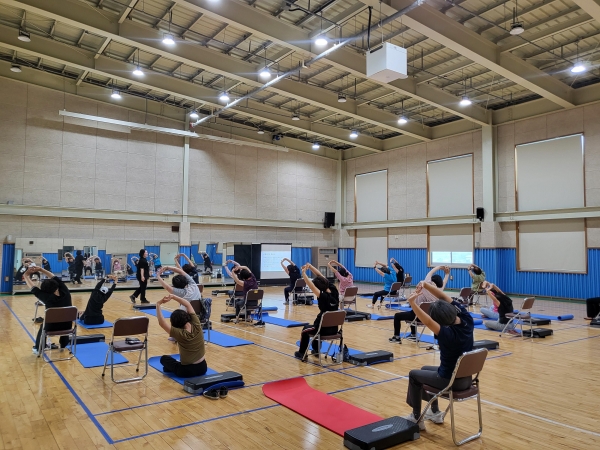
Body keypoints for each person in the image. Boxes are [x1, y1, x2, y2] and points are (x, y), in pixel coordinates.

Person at [402, 282, 474, 430]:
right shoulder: (467, 319)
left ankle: (416, 417)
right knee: (424, 369)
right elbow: (442, 296)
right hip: (466, 378)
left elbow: (427, 321)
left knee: (414, 375)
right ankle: (434, 412)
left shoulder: (447, 334)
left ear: (439, 322)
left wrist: (412, 303)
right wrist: (425, 285)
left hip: (450, 381)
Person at [389, 266, 450, 343]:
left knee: (398, 316)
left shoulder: (427, 285)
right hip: (430, 318)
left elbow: (430, 273)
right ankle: (413, 334)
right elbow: (445, 281)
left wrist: (439, 267)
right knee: (412, 312)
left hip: (418, 317)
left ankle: (396, 337)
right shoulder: (440, 291)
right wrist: (447, 274)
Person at [156, 294, 208, 378]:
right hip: (203, 367)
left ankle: (170, 368)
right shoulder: (196, 324)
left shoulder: (179, 333)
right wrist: (173, 296)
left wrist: (158, 304)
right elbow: (187, 304)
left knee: (164, 359)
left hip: (186, 371)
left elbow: (162, 323)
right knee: (169, 366)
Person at [294, 263, 339, 360]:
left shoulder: (322, 296)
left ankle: (302, 353)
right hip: (334, 329)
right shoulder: (334, 290)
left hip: (322, 330)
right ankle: (316, 350)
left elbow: (311, 285)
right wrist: (310, 266)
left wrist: (303, 273)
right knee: (315, 327)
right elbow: (320, 276)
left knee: (306, 329)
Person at [24, 266, 73, 354]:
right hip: (67, 327)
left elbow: (33, 288)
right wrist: (41, 269)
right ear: (57, 286)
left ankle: (38, 348)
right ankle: (64, 344)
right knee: (65, 318)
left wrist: (26, 275)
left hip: (51, 328)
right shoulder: (65, 291)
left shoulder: (46, 297)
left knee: (42, 326)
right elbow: (53, 277)